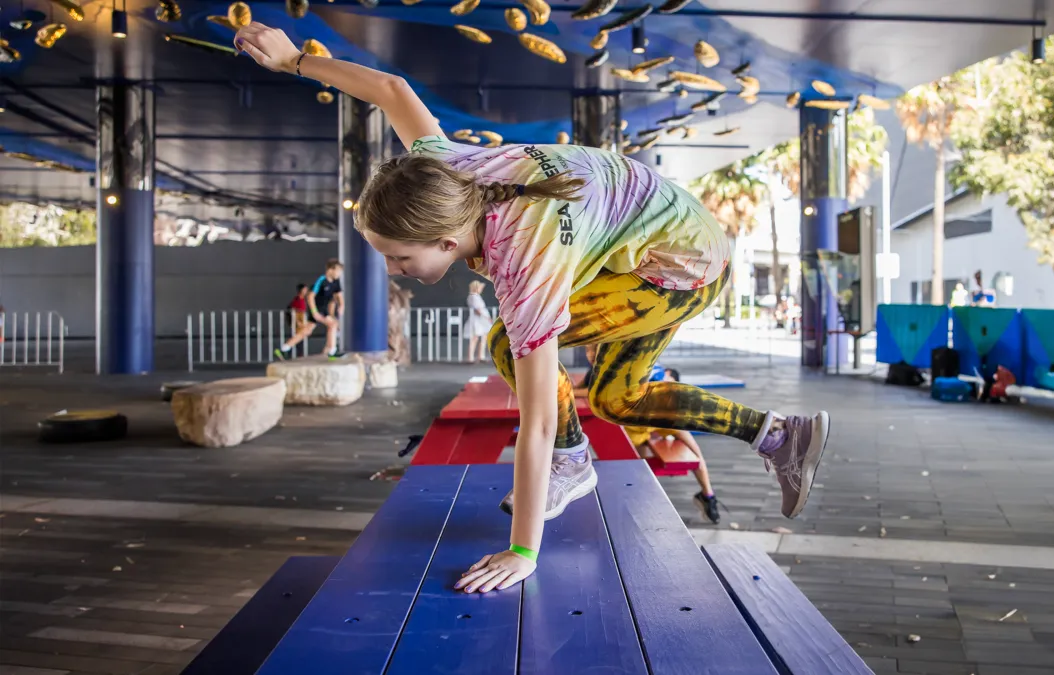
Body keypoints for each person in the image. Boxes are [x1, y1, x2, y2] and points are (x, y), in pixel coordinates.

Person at [233, 22, 830, 595]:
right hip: (672, 236)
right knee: (618, 399)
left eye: (397, 258)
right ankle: (780, 437)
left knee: (505, 347)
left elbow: (539, 418)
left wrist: (522, 551)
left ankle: (573, 465)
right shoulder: (444, 172)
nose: (393, 272)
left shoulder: (527, 262)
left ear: (446, 241)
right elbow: (392, 92)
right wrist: (294, 61)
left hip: (679, 270)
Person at [624, 368, 722, 524]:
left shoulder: (665, 392)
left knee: (695, 452)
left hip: (656, 417)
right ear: (668, 372)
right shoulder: (654, 371)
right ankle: (640, 500)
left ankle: (708, 495)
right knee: (639, 462)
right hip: (638, 421)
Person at [276, 259, 343, 360]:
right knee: (332, 324)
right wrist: (314, 312)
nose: (339, 274)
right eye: (338, 271)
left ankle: (284, 348)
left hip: (324, 310)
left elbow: (338, 296)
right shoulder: (322, 280)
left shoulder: (336, 282)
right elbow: (310, 296)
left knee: (307, 331)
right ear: (330, 270)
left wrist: (341, 306)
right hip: (316, 309)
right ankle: (331, 351)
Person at [464, 280, 491, 364]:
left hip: (480, 320)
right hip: (477, 320)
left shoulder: (476, 296)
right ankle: (471, 358)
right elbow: (477, 309)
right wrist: (486, 317)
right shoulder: (473, 297)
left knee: (483, 337)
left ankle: (480, 356)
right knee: (474, 338)